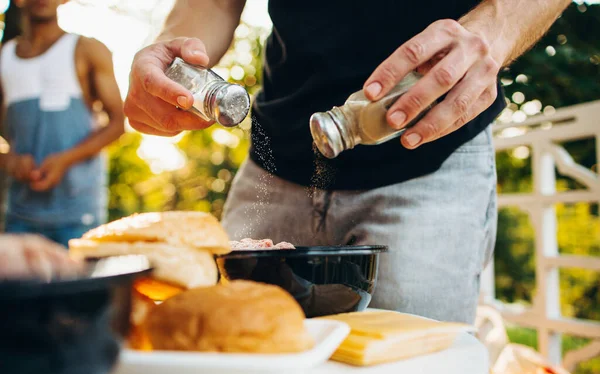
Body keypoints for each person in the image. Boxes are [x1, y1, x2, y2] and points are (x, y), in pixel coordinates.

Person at [124, 0, 571, 323]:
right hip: (272, 162)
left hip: (428, 161)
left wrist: (492, 31)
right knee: (240, 361)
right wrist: (171, 57)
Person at [0, 0, 124, 247]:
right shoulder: (4, 58)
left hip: (78, 216)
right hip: (19, 216)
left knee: (80, 287)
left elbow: (118, 123)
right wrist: (9, 161)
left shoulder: (88, 49)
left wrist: (65, 160)